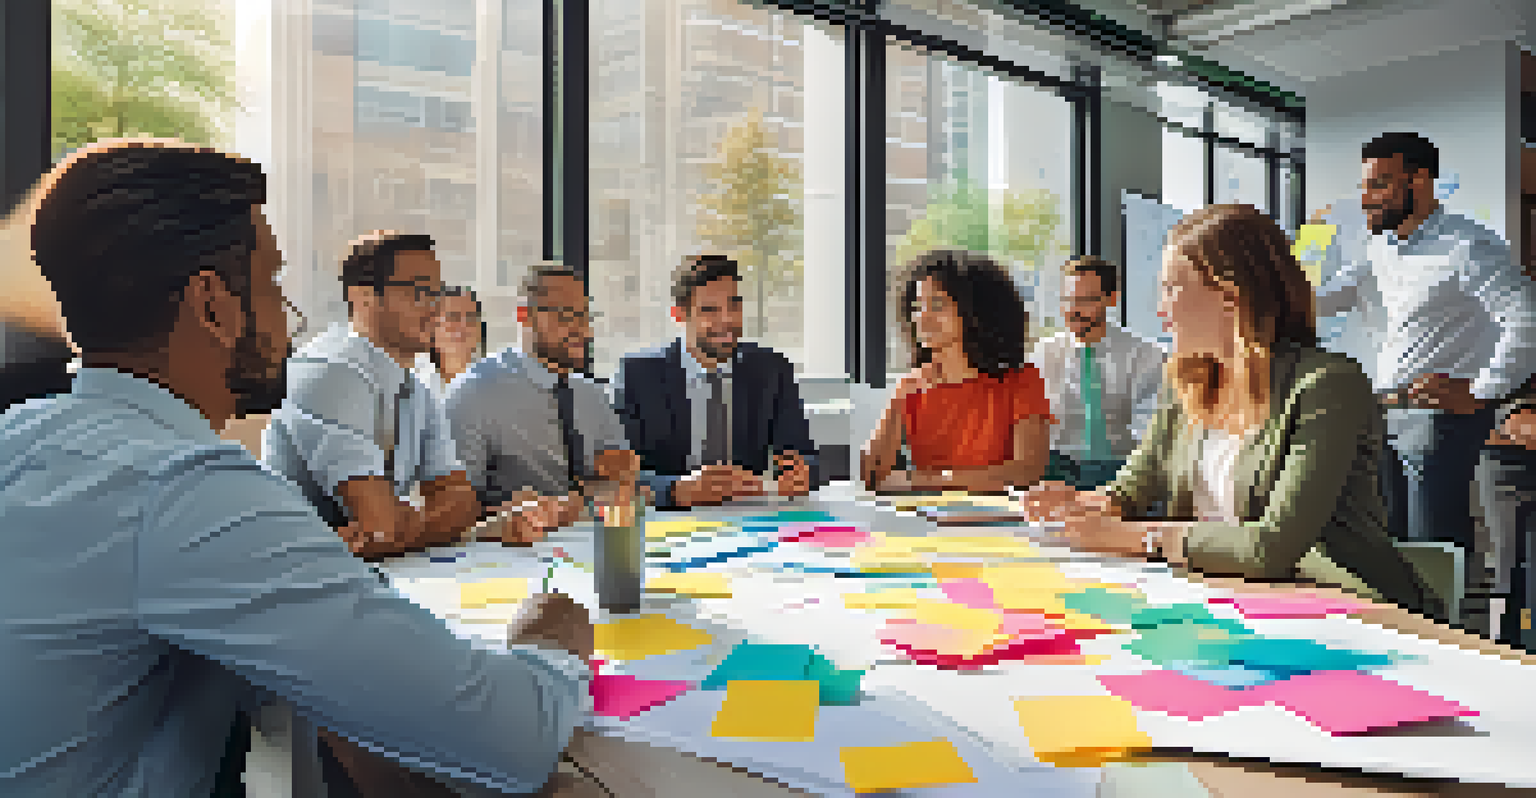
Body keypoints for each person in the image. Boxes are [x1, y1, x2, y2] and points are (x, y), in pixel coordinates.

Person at [0, 138, 600, 797]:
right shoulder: (184, 489)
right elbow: (512, 735)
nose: (290, 318)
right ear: (212, 304)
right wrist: (553, 636)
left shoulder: (22, 435)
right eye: (272, 282)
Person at [1020, 204, 1441, 618]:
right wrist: (1080, 506)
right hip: (1234, 607)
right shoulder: (1187, 380)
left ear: (1229, 293)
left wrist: (1141, 537)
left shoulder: (1326, 385)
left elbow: (1270, 549)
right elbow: (1133, 490)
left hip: (1355, 615)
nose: (1159, 308)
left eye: (1171, 287)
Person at [263, 231, 557, 558]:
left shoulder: (415, 389)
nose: (435, 309)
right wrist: (406, 525)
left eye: (437, 293)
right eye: (419, 292)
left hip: (368, 573)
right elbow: (381, 524)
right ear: (363, 297)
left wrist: (398, 527)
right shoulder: (330, 371)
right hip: (297, 579)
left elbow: (460, 503)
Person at [1315, 133, 1535, 565]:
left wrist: (1483, 392)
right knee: (1386, 548)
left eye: (1379, 184)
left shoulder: (1468, 246)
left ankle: (1444, 632)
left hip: (1437, 421)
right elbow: (1326, 298)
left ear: (1419, 182)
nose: (1365, 199)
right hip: (1385, 412)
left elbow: (1526, 318)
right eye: (1364, 186)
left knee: (1432, 553)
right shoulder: (1379, 247)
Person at [615, 254, 818, 508]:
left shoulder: (771, 370)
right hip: (669, 519)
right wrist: (677, 490)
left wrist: (800, 475)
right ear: (679, 315)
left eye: (734, 305)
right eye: (710, 310)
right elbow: (617, 474)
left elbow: (804, 457)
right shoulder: (638, 374)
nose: (727, 320)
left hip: (748, 518)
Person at [446, 262, 641, 518]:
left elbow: (618, 486)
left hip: (592, 540)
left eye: (584, 316)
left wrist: (620, 478)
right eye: (565, 316)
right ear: (524, 316)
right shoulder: (474, 391)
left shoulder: (592, 395)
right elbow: (453, 506)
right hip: (512, 550)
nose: (582, 330)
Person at [861, 249, 1052, 494]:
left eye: (937, 305)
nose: (922, 317)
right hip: (927, 520)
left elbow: (1026, 471)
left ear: (977, 311)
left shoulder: (1021, 380)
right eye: (918, 306)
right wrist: (898, 401)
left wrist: (928, 480)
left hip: (999, 521)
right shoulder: (911, 385)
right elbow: (874, 475)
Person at [1033, 255, 1165, 489]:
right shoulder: (1043, 353)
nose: (1073, 311)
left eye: (1085, 301)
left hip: (1122, 467)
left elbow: (1151, 431)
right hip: (1056, 468)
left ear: (1111, 299)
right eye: (1067, 301)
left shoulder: (1147, 356)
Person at [416, 284, 486, 400]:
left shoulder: (493, 379)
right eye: (453, 316)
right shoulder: (414, 379)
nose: (463, 326)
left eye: (470, 317)